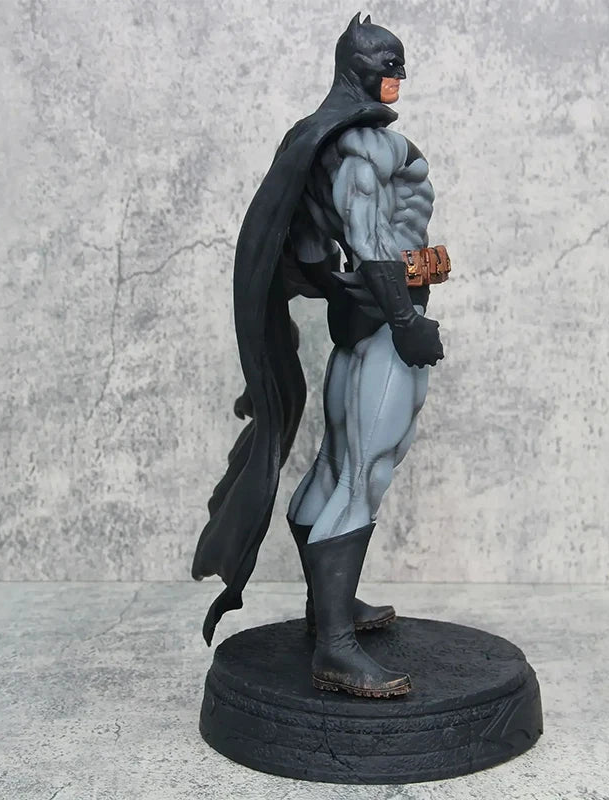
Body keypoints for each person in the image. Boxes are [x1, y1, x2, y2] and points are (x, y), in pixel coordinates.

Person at [192, 13, 450, 698]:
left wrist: (362, 289)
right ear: (360, 69)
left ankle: (329, 612)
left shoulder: (325, 143)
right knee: (365, 470)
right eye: (388, 63)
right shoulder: (360, 148)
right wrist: (405, 321)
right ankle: (335, 648)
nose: (400, 75)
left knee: (341, 464)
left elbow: (312, 248)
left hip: (367, 319)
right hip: (385, 324)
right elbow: (369, 243)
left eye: (400, 62)